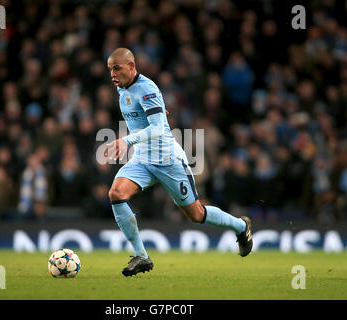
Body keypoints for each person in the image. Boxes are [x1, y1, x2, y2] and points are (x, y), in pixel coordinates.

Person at [104, 48, 253, 277]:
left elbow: (156, 127)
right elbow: (151, 117)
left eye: (117, 68)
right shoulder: (123, 91)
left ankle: (241, 227)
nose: (112, 74)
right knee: (116, 193)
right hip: (143, 159)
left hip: (168, 160)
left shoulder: (146, 88)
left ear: (132, 66)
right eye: (110, 69)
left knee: (196, 214)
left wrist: (127, 139)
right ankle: (141, 256)